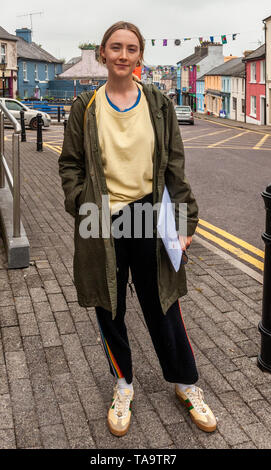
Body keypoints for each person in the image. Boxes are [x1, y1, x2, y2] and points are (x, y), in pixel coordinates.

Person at [58, 21, 217, 437]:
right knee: (109, 306)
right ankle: (123, 384)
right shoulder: (85, 107)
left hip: (149, 215)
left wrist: (185, 220)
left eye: (131, 48)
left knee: (163, 302)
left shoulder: (160, 104)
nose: (123, 55)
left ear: (140, 55)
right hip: (102, 217)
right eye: (116, 47)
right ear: (103, 54)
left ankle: (185, 384)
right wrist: (80, 201)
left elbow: (175, 169)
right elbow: (70, 164)